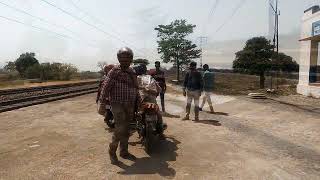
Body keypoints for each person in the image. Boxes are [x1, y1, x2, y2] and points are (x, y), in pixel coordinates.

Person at [100, 47, 140, 164]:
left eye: (128, 58)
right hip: (117, 103)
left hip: (130, 104)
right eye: (122, 58)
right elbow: (105, 87)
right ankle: (112, 151)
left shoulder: (132, 72)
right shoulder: (114, 71)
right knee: (120, 128)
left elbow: (136, 88)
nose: (125, 61)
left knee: (127, 128)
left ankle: (124, 151)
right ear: (118, 58)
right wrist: (102, 102)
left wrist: (139, 100)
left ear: (131, 59)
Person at [135, 63, 166, 139]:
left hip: (141, 101)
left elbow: (133, 89)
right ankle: (161, 133)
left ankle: (137, 127)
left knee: (136, 114)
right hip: (151, 100)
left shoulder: (136, 78)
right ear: (145, 70)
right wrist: (155, 93)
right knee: (158, 114)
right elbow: (159, 89)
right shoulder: (150, 77)